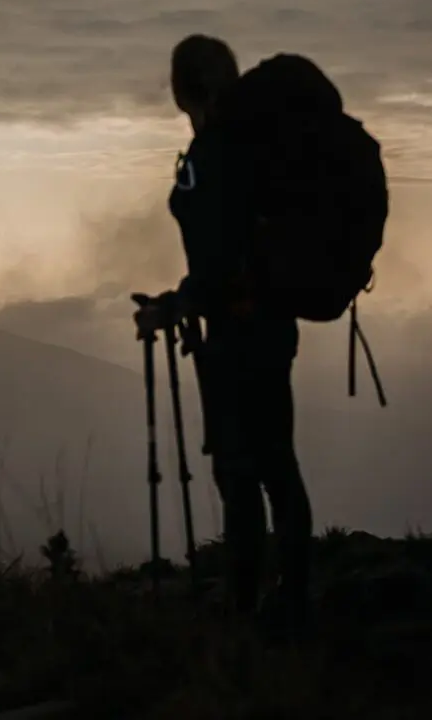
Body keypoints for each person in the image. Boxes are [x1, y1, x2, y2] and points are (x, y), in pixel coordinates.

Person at [136, 34, 313, 641]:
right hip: (274, 324)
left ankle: (248, 612)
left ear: (187, 88)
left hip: (236, 332)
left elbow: (216, 259)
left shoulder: (215, 153)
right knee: (277, 464)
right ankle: (293, 597)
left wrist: (176, 308)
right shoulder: (261, 148)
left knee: (239, 473)